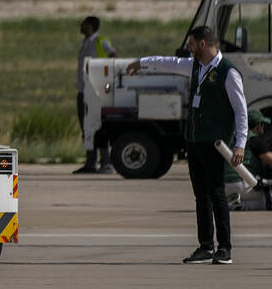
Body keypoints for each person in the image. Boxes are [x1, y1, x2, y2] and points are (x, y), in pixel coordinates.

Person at [125, 26, 246, 265]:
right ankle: (205, 247)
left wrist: (240, 144)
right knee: (201, 196)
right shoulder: (195, 66)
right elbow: (169, 63)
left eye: (191, 44)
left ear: (203, 44)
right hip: (195, 141)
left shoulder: (228, 72)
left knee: (217, 193)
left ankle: (225, 248)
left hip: (215, 143)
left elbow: (241, 111)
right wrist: (142, 62)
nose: (188, 49)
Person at [74, 16, 116, 174]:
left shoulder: (100, 41)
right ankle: (90, 163)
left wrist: (105, 80)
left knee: (99, 127)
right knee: (87, 129)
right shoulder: (86, 43)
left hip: (95, 93)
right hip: (83, 92)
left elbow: (113, 56)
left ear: (90, 26)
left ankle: (106, 163)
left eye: (84, 23)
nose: (81, 25)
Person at [224, 110, 272, 209]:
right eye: (262, 124)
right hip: (240, 184)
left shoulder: (231, 137)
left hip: (223, 185)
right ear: (258, 126)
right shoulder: (254, 140)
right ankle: (239, 206)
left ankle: (233, 202)